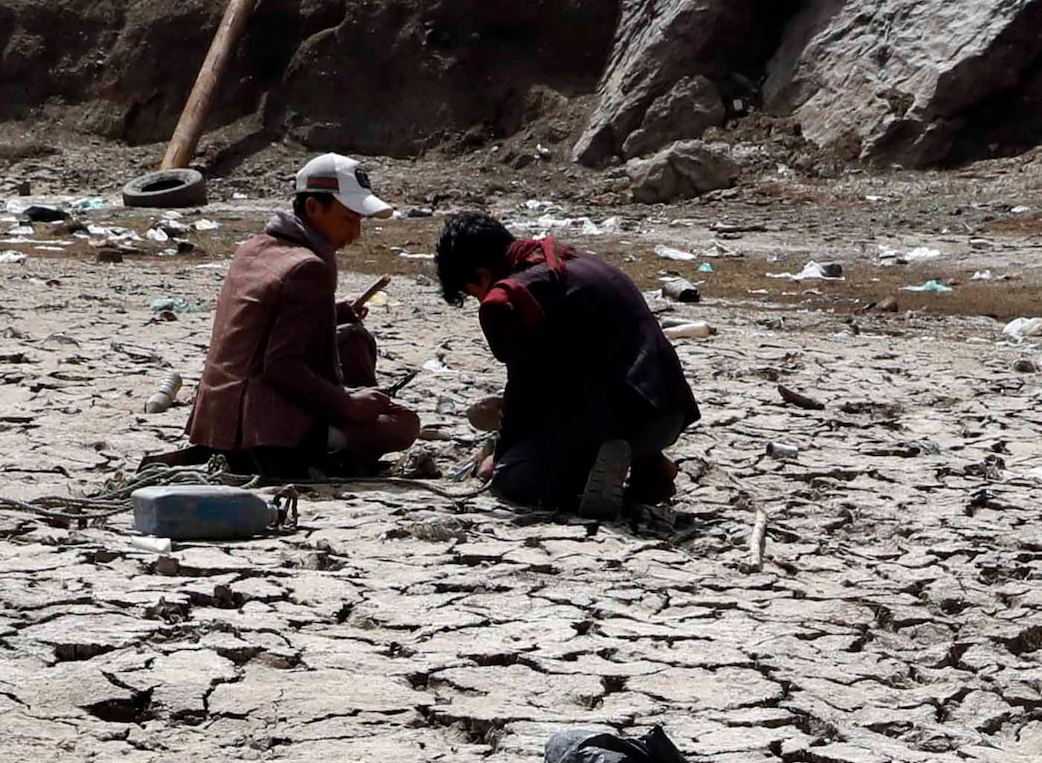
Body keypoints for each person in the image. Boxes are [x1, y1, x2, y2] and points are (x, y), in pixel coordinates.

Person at [431, 210, 697, 518]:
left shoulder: (505, 299)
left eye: (472, 292)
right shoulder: (568, 259)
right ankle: (648, 465)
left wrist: (500, 459)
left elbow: (523, 389)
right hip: (668, 411)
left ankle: (589, 472)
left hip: (623, 420)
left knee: (512, 478)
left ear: (481, 275)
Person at [186, 153, 425, 477]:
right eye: (348, 220)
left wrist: (333, 312)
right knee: (403, 424)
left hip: (217, 420)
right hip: (264, 430)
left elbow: (263, 322)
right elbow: (282, 366)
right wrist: (348, 406)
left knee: (352, 350)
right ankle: (324, 457)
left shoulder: (255, 247)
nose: (355, 233)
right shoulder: (309, 268)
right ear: (314, 208)